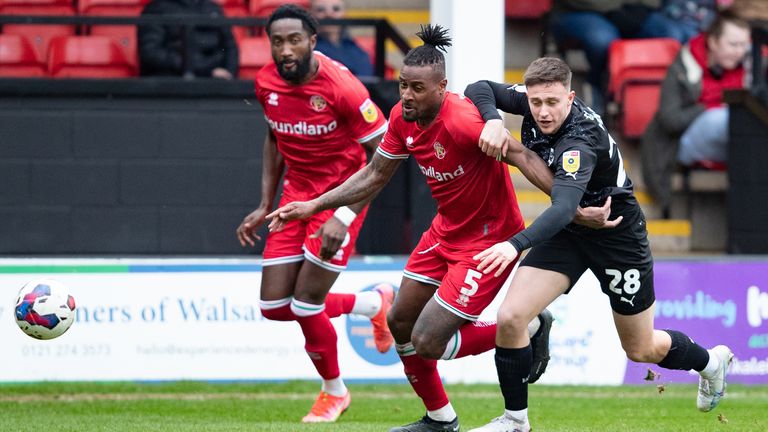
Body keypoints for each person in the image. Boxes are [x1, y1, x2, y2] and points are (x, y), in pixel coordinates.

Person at [266, 25, 615, 432]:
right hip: (444, 233)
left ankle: (531, 324)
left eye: (417, 88)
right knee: (399, 323)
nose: (407, 96)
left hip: (487, 240)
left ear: (441, 87)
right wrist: (313, 204)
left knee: (430, 342)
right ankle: (440, 420)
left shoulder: (465, 121)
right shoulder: (401, 117)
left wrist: (571, 208)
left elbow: (520, 154)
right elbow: (375, 174)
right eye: (402, 86)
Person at [463, 57, 734, 432]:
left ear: (571, 97)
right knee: (510, 318)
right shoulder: (532, 101)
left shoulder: (580, 140)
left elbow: (562, 209)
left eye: (552, 103)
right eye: (535, 102)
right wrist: (494, 118)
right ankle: (515, 421)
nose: (542, 112)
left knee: (641, 349)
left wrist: (514, 245)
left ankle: (711, 363)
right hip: (573, 233)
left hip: (617, 235)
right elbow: (479, 88)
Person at [235, 4, 392, 423]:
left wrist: (344, 216)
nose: (285, 49)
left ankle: (334, 392)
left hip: (338, 200)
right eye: (277, 41)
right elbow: (273, 139)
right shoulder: (266, 81)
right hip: (293, 201)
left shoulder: (344, 87)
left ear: (312, 42)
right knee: (273, 306)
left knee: (306, 305)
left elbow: (384, 157)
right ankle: (372, 305)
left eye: (294, 40)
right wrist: (265, 204)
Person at [641, 10, 750, 216]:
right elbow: (670, 119)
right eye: (733, 45)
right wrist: (708, 106)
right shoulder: (684, 65)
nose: (739, 52)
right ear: (714, 42)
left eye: (744, 45)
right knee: (726, 117)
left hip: (735, 143)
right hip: (684, 142)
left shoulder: (751, 63)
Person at [549, 0, 683, 115]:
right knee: (602, 41)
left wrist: (643, 7)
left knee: (672, 36)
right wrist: (613, 8)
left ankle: (657, 98)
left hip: (633, 9)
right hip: (581, 9)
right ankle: (598, 85)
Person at [138, 0, 238, 78]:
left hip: (213, 79)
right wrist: (204, 69)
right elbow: (151, 53)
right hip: (172, 81)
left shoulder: (213, 7)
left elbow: (230, 46)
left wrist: (229, 74)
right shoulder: (156, 9)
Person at [309, 0, 374, 77]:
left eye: (336, 9)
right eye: (321, 10)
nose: (329, 14)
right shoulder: (308, 49)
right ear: (311, 15)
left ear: (345, 15)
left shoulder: (357, 49)